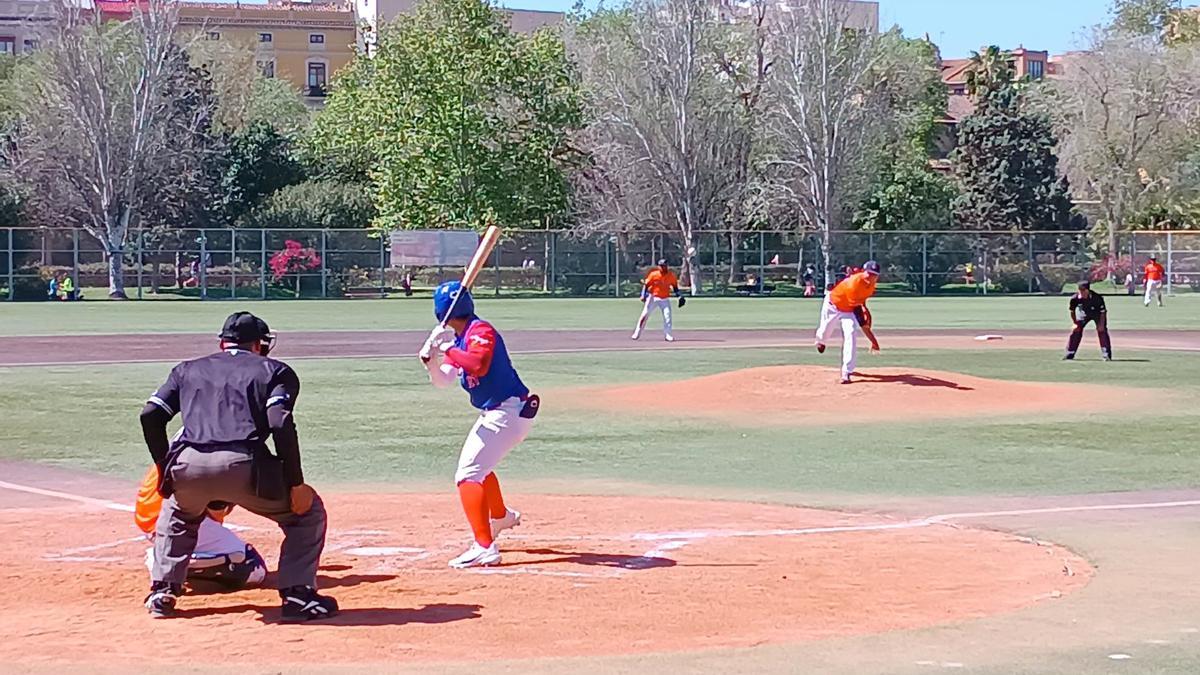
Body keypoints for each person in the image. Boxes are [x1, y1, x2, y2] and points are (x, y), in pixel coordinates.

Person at [139, 312, 336, 621]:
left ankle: (163, 591)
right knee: (307, 514)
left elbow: (150, 415)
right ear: (259, 346)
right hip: (244, 462)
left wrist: (165, 467)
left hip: (189, 463)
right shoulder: (276, 370)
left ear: (222, 343)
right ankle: (298, 595)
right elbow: (279, 422)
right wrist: (296, 482)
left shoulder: (186, 370)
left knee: (178, 513)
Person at [419, 281, 537, 569]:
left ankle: (484, 547)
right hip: (497, 414)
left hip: (508, 411)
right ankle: (500, 516)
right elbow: (444, 379)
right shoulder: (461, 339)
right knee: (480, 468)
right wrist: (430, 361)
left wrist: (446, 346)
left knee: (468, 474)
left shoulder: (479, 331)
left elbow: (478, 364)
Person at [134, 465, 267, 590]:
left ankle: (169, 552)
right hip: (178, 519)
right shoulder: (225, 452)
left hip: (148, 518)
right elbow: (216, 509)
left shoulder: (186, 442)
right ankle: (167, 562)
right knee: (254, 568)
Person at [815, 260, 882, 384]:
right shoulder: (854, 284)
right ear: (864, 271)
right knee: (825, 331)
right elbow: (860, 317)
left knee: (851, 334)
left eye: (874, 275)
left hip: (848, 310)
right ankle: (820, 341)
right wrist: (873, 340)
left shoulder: (871, 287)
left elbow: (862, 304)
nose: (871, 277)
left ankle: (846, 372)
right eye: (869, 273)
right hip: (833, 304)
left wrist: (868, 315)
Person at [631, 259, 684, 342]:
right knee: (645, 315)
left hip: (665, 299)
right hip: (653, 297)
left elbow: (675, 288)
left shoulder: (671, 276)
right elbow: (646, 285)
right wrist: (643, 295)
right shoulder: (654, 274)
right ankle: (637, 333)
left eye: (664, 266)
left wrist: (680, 296)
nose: (662, 267)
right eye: (661, 266)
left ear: (667, 266)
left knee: (667, 317)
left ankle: (668, 335)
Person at [1064, 280, 1112, 361]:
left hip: (1097, 314)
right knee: (1076, 330)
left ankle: (1106, 353)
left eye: (1083, 290)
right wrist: (1075, 323)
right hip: (1084, 313)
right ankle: (1070, 352)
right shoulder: (1075, 298)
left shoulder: (1097, 298)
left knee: (1102, 330)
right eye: (1079, 290)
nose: (1081, 292)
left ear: (1087, 290)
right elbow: (1072, 311)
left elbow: (1103, 312)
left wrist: (1101, 324)